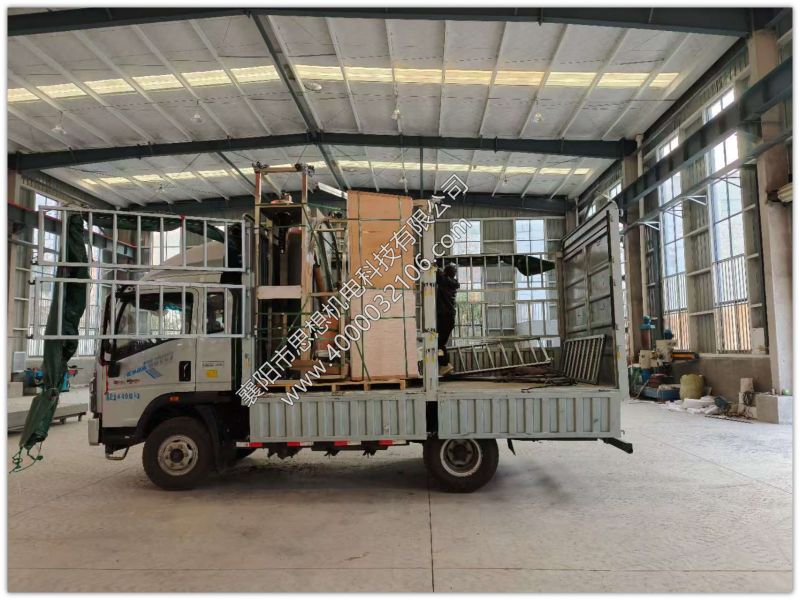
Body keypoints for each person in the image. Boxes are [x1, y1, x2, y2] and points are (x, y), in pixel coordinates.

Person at [436, 263, 460, 376]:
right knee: (440, 343)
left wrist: (434, 265)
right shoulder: (452, 284)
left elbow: (437, 273)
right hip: (449, 317)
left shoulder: (444, 281)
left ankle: (445, 365)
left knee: (438, 343)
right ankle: (445, 365)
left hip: (444, 317)